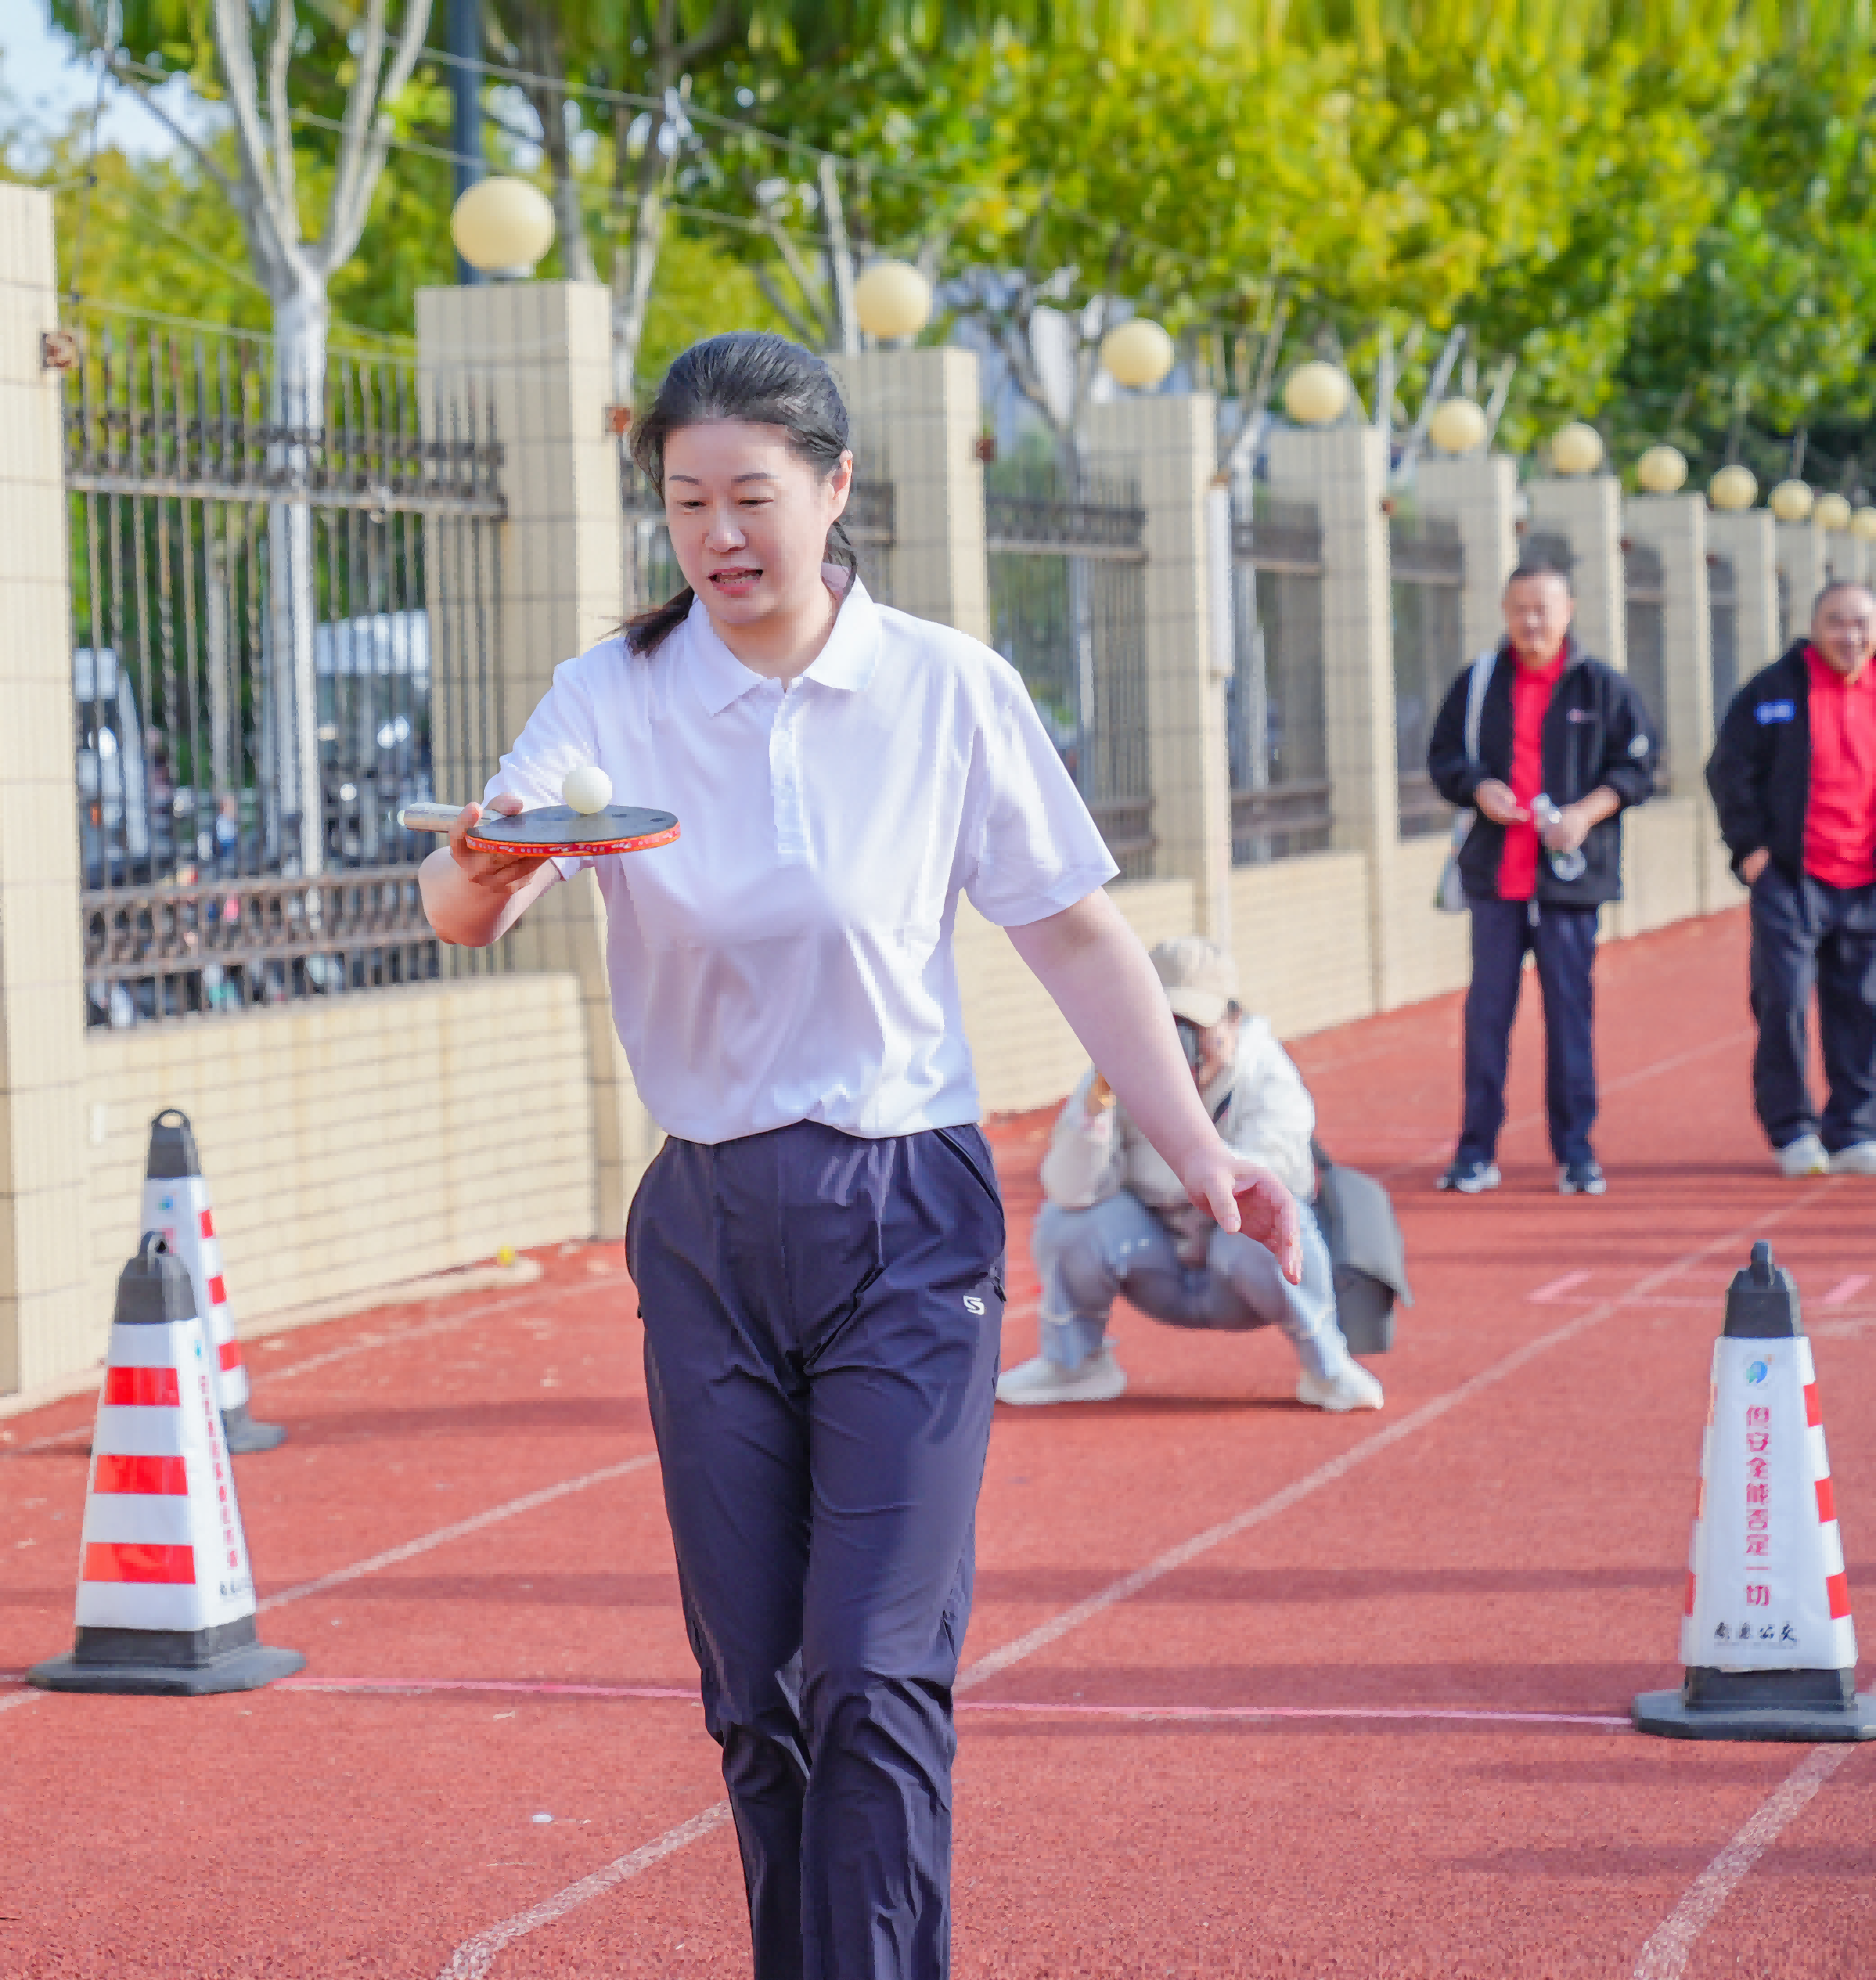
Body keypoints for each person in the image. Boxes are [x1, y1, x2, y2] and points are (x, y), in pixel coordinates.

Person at [420, 331, 1303, 1980]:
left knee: (874, 1669)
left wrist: (1198, 1152)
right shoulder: (612, 694)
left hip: (903, 1217)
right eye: (686, 500)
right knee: (757, 1689)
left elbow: (1076, 936)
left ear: (833, 490)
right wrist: (484, 863)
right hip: (706, 1226)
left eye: (750, 495)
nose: (717, 533)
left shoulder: (944, 687)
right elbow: (473, 899)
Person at [997, 934, 1381, 1412]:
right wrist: (1098, 1105)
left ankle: (1328, 1367)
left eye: (1195, 1025)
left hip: (1239, 1267)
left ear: (1233, 1020)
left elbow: (1270, 1174)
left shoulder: (1266, 1075)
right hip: (1159, 1261)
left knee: (1271, 1220)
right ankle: (1074, 1365)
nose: (1182, 1043)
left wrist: (1194, 1150)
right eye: (1166, 1024)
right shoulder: (1116, 1070)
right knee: (1067, 1223)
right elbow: (1069, 1189)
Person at [1427, 560, 1659, 1196]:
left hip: (1568, 883)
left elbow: (1638, 768)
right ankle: (1475, 1150)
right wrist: (1479, 788)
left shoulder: (1602, 688)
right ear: (1504, 612)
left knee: (1569, 1014)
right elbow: (1444, 758)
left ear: (1569, 611)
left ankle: (1576, 1151)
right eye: (1520, 608)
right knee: (1487, 1017)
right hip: (1496, 879)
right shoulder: (1478, 683)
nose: (1532, 621)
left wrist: (1585, 814)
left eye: (1544, 608)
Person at [1707, 579, 1876, 1177]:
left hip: (1869, 882)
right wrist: (1751, 849)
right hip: (1791, 878)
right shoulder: (1772, 690)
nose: (1850, 636)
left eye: (1862, 624)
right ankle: (1793, 1131)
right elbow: (1730, 769)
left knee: (1864, 1006)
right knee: (1782, 1002)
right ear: (1814, 628)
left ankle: (1856, 1130)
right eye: (1836, 622)